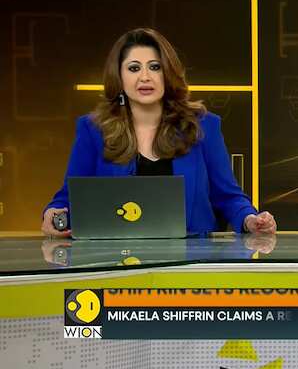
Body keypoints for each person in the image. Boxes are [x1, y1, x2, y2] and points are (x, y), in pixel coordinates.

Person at [41, 28, 276, 237]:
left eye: (155, 67)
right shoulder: (93, 129)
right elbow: (69, 198)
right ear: (119, 76)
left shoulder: (203, 126)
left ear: (168, 73)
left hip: (191, 261)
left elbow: (228, 196)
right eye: (134, 68)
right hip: (114, 260)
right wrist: (54, 214)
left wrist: (250, 220)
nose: (145, 77)